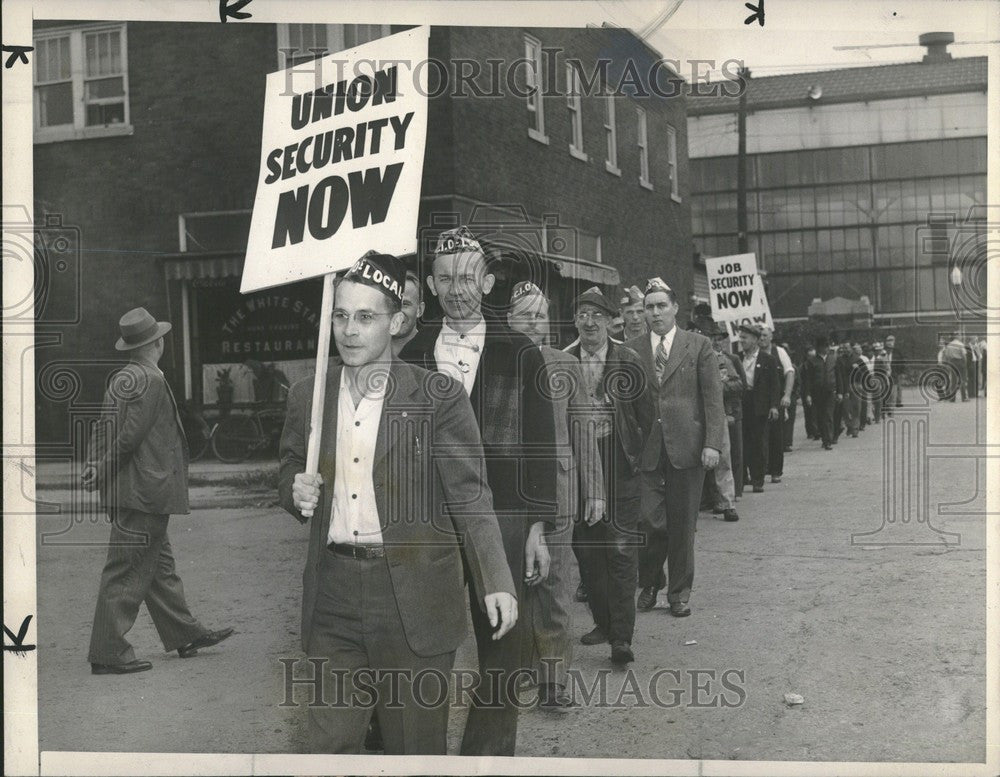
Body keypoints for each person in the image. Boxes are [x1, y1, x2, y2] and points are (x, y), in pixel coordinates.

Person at [279, 252, 515, 754]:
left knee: (415, 749)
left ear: (397, 321)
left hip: (414, 595)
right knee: (326, 749)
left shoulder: (438, 397)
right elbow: (289, 469)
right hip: (334, 595)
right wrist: (294, 491)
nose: (349, 330)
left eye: (366, 317)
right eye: (340, 316)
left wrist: (495, 579)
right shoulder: (308, 397)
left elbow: (470, 494)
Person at [399, 226, 557, 756]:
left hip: (506, 515)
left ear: (487, 281)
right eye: (445, 277)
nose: (457, 287)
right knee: (420, 638)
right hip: (426, 517)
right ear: (430, 284)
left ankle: (486, 760)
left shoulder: (522, 354)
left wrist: (537, 528)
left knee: (502, 645)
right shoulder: (409, 355)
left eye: (468, 276)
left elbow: (541, 445)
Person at [82, 307, 234, 675]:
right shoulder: (150, 380)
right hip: (146, 491)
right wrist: (101, 468)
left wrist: (92, 464)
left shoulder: (122, 378)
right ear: (158, 343)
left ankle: (184, 633)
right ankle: (108, 652)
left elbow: (104, 427)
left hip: (132, 490)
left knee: (159, 568)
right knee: (128, 570)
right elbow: (130, 437)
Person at [506, 281, 605, 708]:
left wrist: (595, 491)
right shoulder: (496, 365)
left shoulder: (565, 365)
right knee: (512, 583)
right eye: (525, 314)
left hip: (560, 494)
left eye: (541, 315)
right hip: (508, 496)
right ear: (508, 320)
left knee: (557, 584)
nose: (534, 323)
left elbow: (584, 430)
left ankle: (554, 681)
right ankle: (518, 667)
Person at [631, 278, 725, 618]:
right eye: (649, 307)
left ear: (674, 309)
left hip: (689, 448)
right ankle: (651, 581)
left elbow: (713, 399)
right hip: (647, 451)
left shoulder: (698, 345)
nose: (655, 313)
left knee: (683, 525)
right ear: (642, 313)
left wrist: (712, 443)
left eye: (661, 306)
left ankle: (679, 593)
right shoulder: (632, 348)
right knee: (648, 521)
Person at [564, 286, 645, 664]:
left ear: (611, 320)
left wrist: (640, 460)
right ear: (575, 319)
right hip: (580, 470)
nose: (590, 321)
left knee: (622, 552)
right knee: (589, 555)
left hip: (619, 464)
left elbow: (647, 415)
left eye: (598, 314)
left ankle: (621, 638)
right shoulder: (562, 361)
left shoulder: (627, 359)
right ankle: (604, 622)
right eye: (583, 313)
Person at [694, 317, 742, 522]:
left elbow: (738, 384)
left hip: (716, 412)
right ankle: (695, 505)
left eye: (714, 337)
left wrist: (722, 387)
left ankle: (728, 502)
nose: (712, 340)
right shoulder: (685, 355)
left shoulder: (722, 360)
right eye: (707, 335)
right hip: (694, 413)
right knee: (693, 460)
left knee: (723, 458)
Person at [737, 323, 780, 491]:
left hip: (759, 405)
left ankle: (758, 479)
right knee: (743, 442)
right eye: (740, 338)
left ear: (754, 339)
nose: (741, 341)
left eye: (744, 338)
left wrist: (774, 406)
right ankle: (744, 477)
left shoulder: (767, 359)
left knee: (758, 443)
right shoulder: (738, 358)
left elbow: (775, 385)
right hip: (742, 403)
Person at [759, 326, 794, 483]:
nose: (762, 338)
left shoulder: (779, 352)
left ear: (771, 336)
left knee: (775, 436)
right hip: (759, 401)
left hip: (777, 399)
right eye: (759, 336)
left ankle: (775, 471)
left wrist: (787, 395)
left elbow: (790, 373)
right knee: (759, 437)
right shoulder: (753, 355)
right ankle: (760, 470)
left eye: (765, 335)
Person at [803, 336, 843, 450]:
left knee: (828, 415)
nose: (827, 348)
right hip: (817, 393)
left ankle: (828, 440)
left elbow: (838, 376)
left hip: (831, 392)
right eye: (825, 346)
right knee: (820, 417)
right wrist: (808, 394)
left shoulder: (833, 359)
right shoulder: (812, 362)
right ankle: (825, 437)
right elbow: (808, 380)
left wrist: (840, 392)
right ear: (819, 347)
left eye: (828, 345)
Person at [390, 267, 425, 357]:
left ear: (419, 310)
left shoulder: (431, 351)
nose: (397, 312)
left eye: (405, 304)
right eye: (392, 304)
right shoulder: (368, 352)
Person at [780, 341, 798, 450]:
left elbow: (798, 381)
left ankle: (787, 442)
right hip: (780, 393)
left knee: (789, 420)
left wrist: (794, 394)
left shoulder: (792, 366)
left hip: (791, 395)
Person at [942, 333, 968, 401]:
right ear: (957, 336)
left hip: (952, 363)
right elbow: (964, 355)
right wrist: (965, 363)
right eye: (959, 335)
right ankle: (964, 397)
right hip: (960, 362)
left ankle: (952, 398)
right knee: (962, 379)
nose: (960, 336)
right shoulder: (960, 344)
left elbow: (947, 355)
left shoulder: (949, 345)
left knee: (953, 381)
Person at [800, 346, 819, 439]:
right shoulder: (804, 366)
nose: (812, 358)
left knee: (816, 412)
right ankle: (810, 431)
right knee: (808, 412)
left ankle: (816, 430)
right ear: (807, 356)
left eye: (814, 356)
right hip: (806, 391)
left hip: (817, 391)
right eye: (810, 356)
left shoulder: (818, 364)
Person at [883, 334, 905, 412]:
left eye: (892, 340)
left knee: (898, 387)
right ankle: (888, 404)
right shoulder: (884, 352)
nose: (890, 342)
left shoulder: (897, 352)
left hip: (896, 372)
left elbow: (902, 362)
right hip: (887, 372)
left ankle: (898, 401)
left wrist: (902, 372)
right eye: (889, 340)